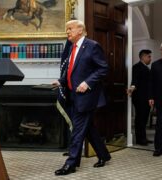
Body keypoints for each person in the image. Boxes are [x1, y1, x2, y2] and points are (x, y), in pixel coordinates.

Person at [52, 19, 110, 176]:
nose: (67, 32)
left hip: (87, 96)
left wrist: (87, 83)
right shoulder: (72, 47)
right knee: (88, 129)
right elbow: (71, 70)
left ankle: (71, 164)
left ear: (80, 30)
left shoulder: (92, 46)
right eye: (67, 30)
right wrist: (61, 81)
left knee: (77, 130)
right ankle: (104, 155)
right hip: (73, 95)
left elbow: (103, 68)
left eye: (70, 29)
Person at [127, 49, 153, 146]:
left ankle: (143, 137)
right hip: (140, 98)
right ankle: (140, 139)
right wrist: (132, 87)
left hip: (146, 98)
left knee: (144, 119)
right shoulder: (137, 67)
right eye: (149, 56)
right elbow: (135, 80)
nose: (150, 58)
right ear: (143, 57)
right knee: (140, 119)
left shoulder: (146, 67)